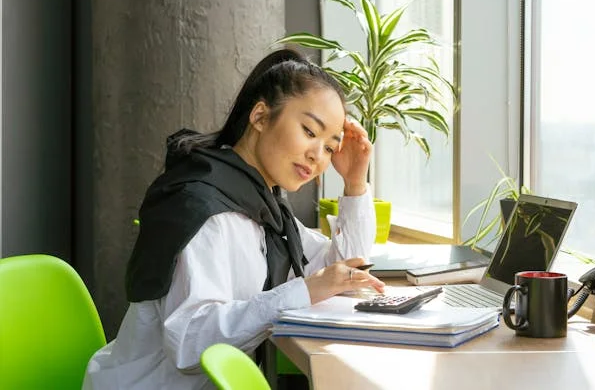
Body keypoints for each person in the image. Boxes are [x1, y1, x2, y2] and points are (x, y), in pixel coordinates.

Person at [83, 49, 385, 389]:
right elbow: (189, 344)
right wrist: (303, 291)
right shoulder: (206, 208)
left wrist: (355, 183)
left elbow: (347, 272)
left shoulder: (262, 205)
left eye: (330, 147)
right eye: (309, 131)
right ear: (259, 117)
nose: (318, 155)